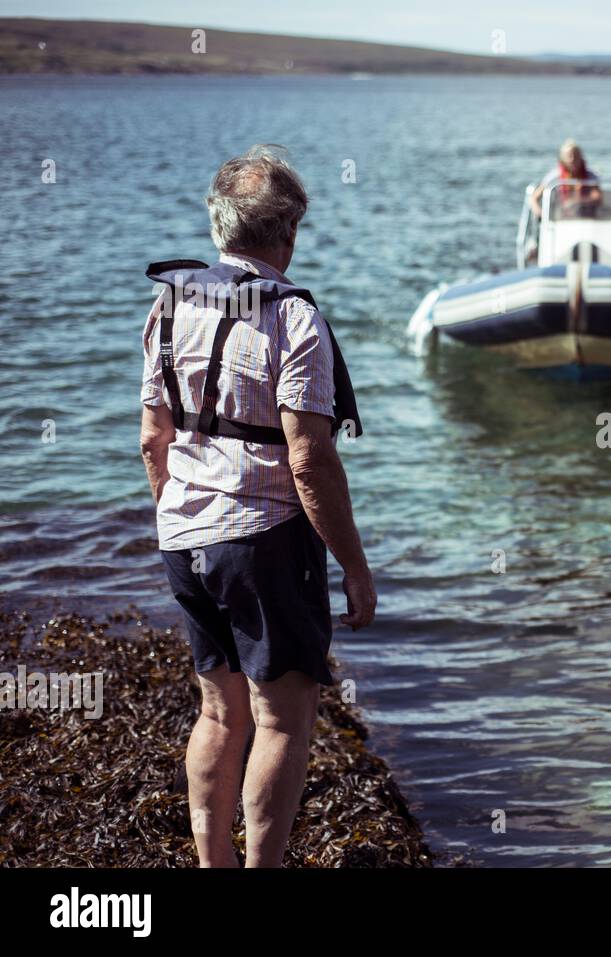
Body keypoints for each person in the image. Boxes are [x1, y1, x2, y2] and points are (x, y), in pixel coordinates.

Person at [139, 144, 376, 868]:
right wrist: (356, 569)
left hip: (184, 537)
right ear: (288, 234)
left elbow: (155, 440)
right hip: (266, 542)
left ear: (220, 229)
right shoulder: (295, 320)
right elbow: (309, 460)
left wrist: (182, 521)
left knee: (218, 710)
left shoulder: (169, 302)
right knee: (282, 720)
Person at [529, 138, 602, 219]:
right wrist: (541, 214)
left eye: (576, 155)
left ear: (581, 157)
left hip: (587, 219)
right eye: (569, 156)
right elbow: (534, 198)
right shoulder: (554, 177)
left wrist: (575, 201)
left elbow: (597, 197)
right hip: (560, 219)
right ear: (563, 159)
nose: (572, 159)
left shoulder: (590, 176)